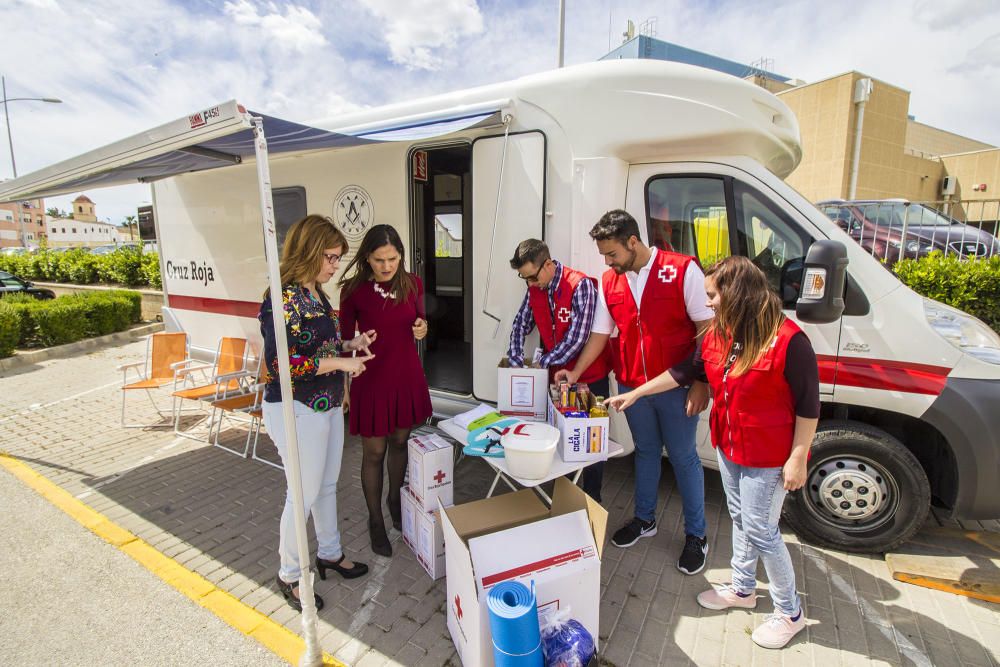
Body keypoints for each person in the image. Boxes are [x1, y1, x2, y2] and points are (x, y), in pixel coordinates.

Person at [606, 256, 817, 649]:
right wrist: (635, 393)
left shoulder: (790, 340)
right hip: (731, 445)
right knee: (739, 517)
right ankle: (742, 588)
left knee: (762, 529)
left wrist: (798, 456)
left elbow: (809, 406)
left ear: (736, 292)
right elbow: (685, 373)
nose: (709, 304)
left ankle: (790, 613)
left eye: (713, 295)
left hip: (768, 454)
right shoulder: (721, 334)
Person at [556, 209, 713, 575]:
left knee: (683, 456)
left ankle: (697, 536)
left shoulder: (681, 269)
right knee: (644, 450)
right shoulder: (610, 281)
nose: (608, 262)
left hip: (677, 385)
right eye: (604, 256)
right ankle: (645, 519)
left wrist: (702, 381)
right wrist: (576, 372)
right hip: (630, 385)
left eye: (612, 254)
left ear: (633, 242)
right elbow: (601, 333)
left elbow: (707, 328)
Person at [258, 215, 373, 613]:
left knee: (325, 486)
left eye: (338, 258)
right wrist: (342, 366)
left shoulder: (316, 293)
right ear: (308, 250)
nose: (334, 265)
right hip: (295, 408)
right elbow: (283, 365)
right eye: (330, 257)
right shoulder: (280, 297)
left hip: (324, 406)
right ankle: (289, 574)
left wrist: (349, 342)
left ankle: (329, 553)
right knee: (302, 494)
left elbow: (318, 345)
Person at [339, 224, 433, 558]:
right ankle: (375, 520)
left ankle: (396, 498)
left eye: (393, 258)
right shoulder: (353, 290)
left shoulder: (413, 284)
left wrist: (422, 328)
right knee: (374, 452)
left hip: (405, 375)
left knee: (399, 441)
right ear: (367, 258)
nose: (387, 266)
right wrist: (345, 386)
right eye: (379, 259)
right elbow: (342, 340)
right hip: (370, 379)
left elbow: (420, 322)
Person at [506, 238, 613, 502]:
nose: (530, 284)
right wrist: (517, 357)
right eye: (525, 279)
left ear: (548, 265)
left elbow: (578, 339)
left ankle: (591, 500)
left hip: (589, 378)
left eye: (532, 277)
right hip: (556, 379)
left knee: (589, 445)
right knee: (558, 438)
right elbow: (521, 324)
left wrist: (542, 363)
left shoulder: (580, 286)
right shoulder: (534, 288)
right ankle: (564, 498)